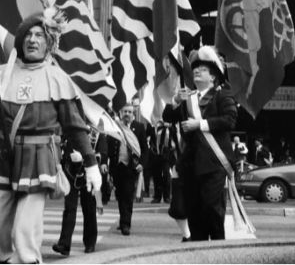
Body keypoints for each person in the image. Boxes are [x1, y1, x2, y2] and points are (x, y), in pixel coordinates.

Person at [0, 10, 101, 264]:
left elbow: (74, 126)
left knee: (24, 233)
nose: (33, 40)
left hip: (38, 159)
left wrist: (91, 164)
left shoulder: (57, 78)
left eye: (39, 35)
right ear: (20, 41)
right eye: (28, 35)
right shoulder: (2, 74)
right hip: (4, 158)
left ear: (49, 43)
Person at [163, 45, 254, 241]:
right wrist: (175, 101)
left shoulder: (223, 95)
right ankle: (199, 253)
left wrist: (200, 124)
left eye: (203, 69)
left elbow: (229, 120)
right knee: (195, 213)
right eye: (195, 69)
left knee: (212, 211)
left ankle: (217, 254)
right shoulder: (189, 99)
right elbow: (168, 117)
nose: (196, 71)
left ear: (213, 77)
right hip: (191, 164)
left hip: (214, 164)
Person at [52, 129, 103, 256]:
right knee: (69, 208)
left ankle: (90, 243)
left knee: (89, 208)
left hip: (89, 173)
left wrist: (90, 157)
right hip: (70, 172)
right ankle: (64, 244)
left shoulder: (96, 130)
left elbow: (102, 150)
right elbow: (62, 144)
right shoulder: (69, 126)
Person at [102, 104, 142, 235]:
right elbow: (106, 146)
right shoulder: (115, 127)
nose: (127, 114)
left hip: (131, 167)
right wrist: (104, 162)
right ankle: (122, 219)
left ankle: (126, 224)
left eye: (130, 112)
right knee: (120, 195)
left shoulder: (140, 127)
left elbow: (144, 150)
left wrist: (142, 164)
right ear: (121, 112)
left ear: (133, 113)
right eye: (125, 111)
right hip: (117, 166)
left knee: (128, 195)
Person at [149, 120, 172, 204]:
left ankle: (167, 196)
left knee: (166, 175)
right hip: (156, 154)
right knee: (156, 175)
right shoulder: (154, 128)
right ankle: (157, 196)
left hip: (167, 155)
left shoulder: (170, 127)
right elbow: (151, 139)